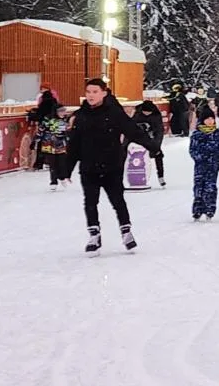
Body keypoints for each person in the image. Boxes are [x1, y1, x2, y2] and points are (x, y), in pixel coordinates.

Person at [69, 77, 161, 254]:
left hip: (111, 165)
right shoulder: (81, 115)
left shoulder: (113, 113)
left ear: (104, 93)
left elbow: (133, 131)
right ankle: (94, 236)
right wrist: (66, 169)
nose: (91, 96)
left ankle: (126, 232)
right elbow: (74, 143)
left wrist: (153, 147)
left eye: (95, 92)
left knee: (117, 200)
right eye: (88, 92)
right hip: (89, 167)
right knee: (90, 202)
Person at [188, 107, 219, 220]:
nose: (210, 121)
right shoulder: (197, 134)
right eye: (207, 119)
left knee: (210, 188)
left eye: (211, 119)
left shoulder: (218, 133)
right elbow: (192, 150)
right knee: (199, 187)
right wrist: (199, 158)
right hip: (200, 166)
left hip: (213, 165)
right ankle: (197, 210)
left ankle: (210, 209)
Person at [132, 97, 168, 186]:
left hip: (151, 138)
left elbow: (159, 131)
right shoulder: (137, 113)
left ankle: (161, 176)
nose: (146, 113)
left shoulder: (156, 116)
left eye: (148, 112)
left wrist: (156, 145)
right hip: (137, 137)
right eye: (144, 112)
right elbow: (131, 126)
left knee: (158, 154)